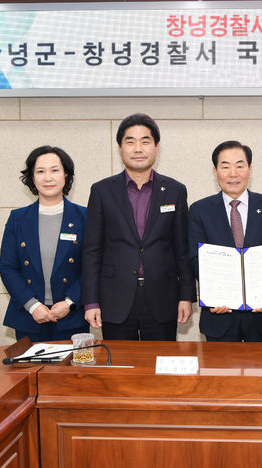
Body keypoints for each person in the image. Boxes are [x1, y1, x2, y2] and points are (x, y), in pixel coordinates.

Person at [82, 113, 196, 340]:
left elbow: (182, 248)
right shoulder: (102, 191)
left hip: (162, 298)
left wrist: (186, 296)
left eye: (145, 141)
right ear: (119, 148)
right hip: (115, 297)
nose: (138, 149)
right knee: (119, 361)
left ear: (156, 147)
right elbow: (92, 250)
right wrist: (91, 301)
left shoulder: (175, 191)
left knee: (161, 360)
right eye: (130, 142)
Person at [188, 141, 262, 341]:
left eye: (240, 166)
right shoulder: (199, 211)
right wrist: (214, 294)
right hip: (219, 315)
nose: (233, 174)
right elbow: (195, 259)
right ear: (215, 171)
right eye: (225, 167)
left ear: (250, 169)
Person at [0, 146, 89, 342]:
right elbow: (7, 267)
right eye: (40, 171)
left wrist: (69, 303)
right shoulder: (18, 219)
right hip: (29, 317)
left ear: (66, 175)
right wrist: (32, 305)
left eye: (54, 170)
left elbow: (93, 267)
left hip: (72, 316)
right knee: (30, 363)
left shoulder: (85, 217)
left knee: (71, 364)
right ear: (32, 177)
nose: (48, 178)